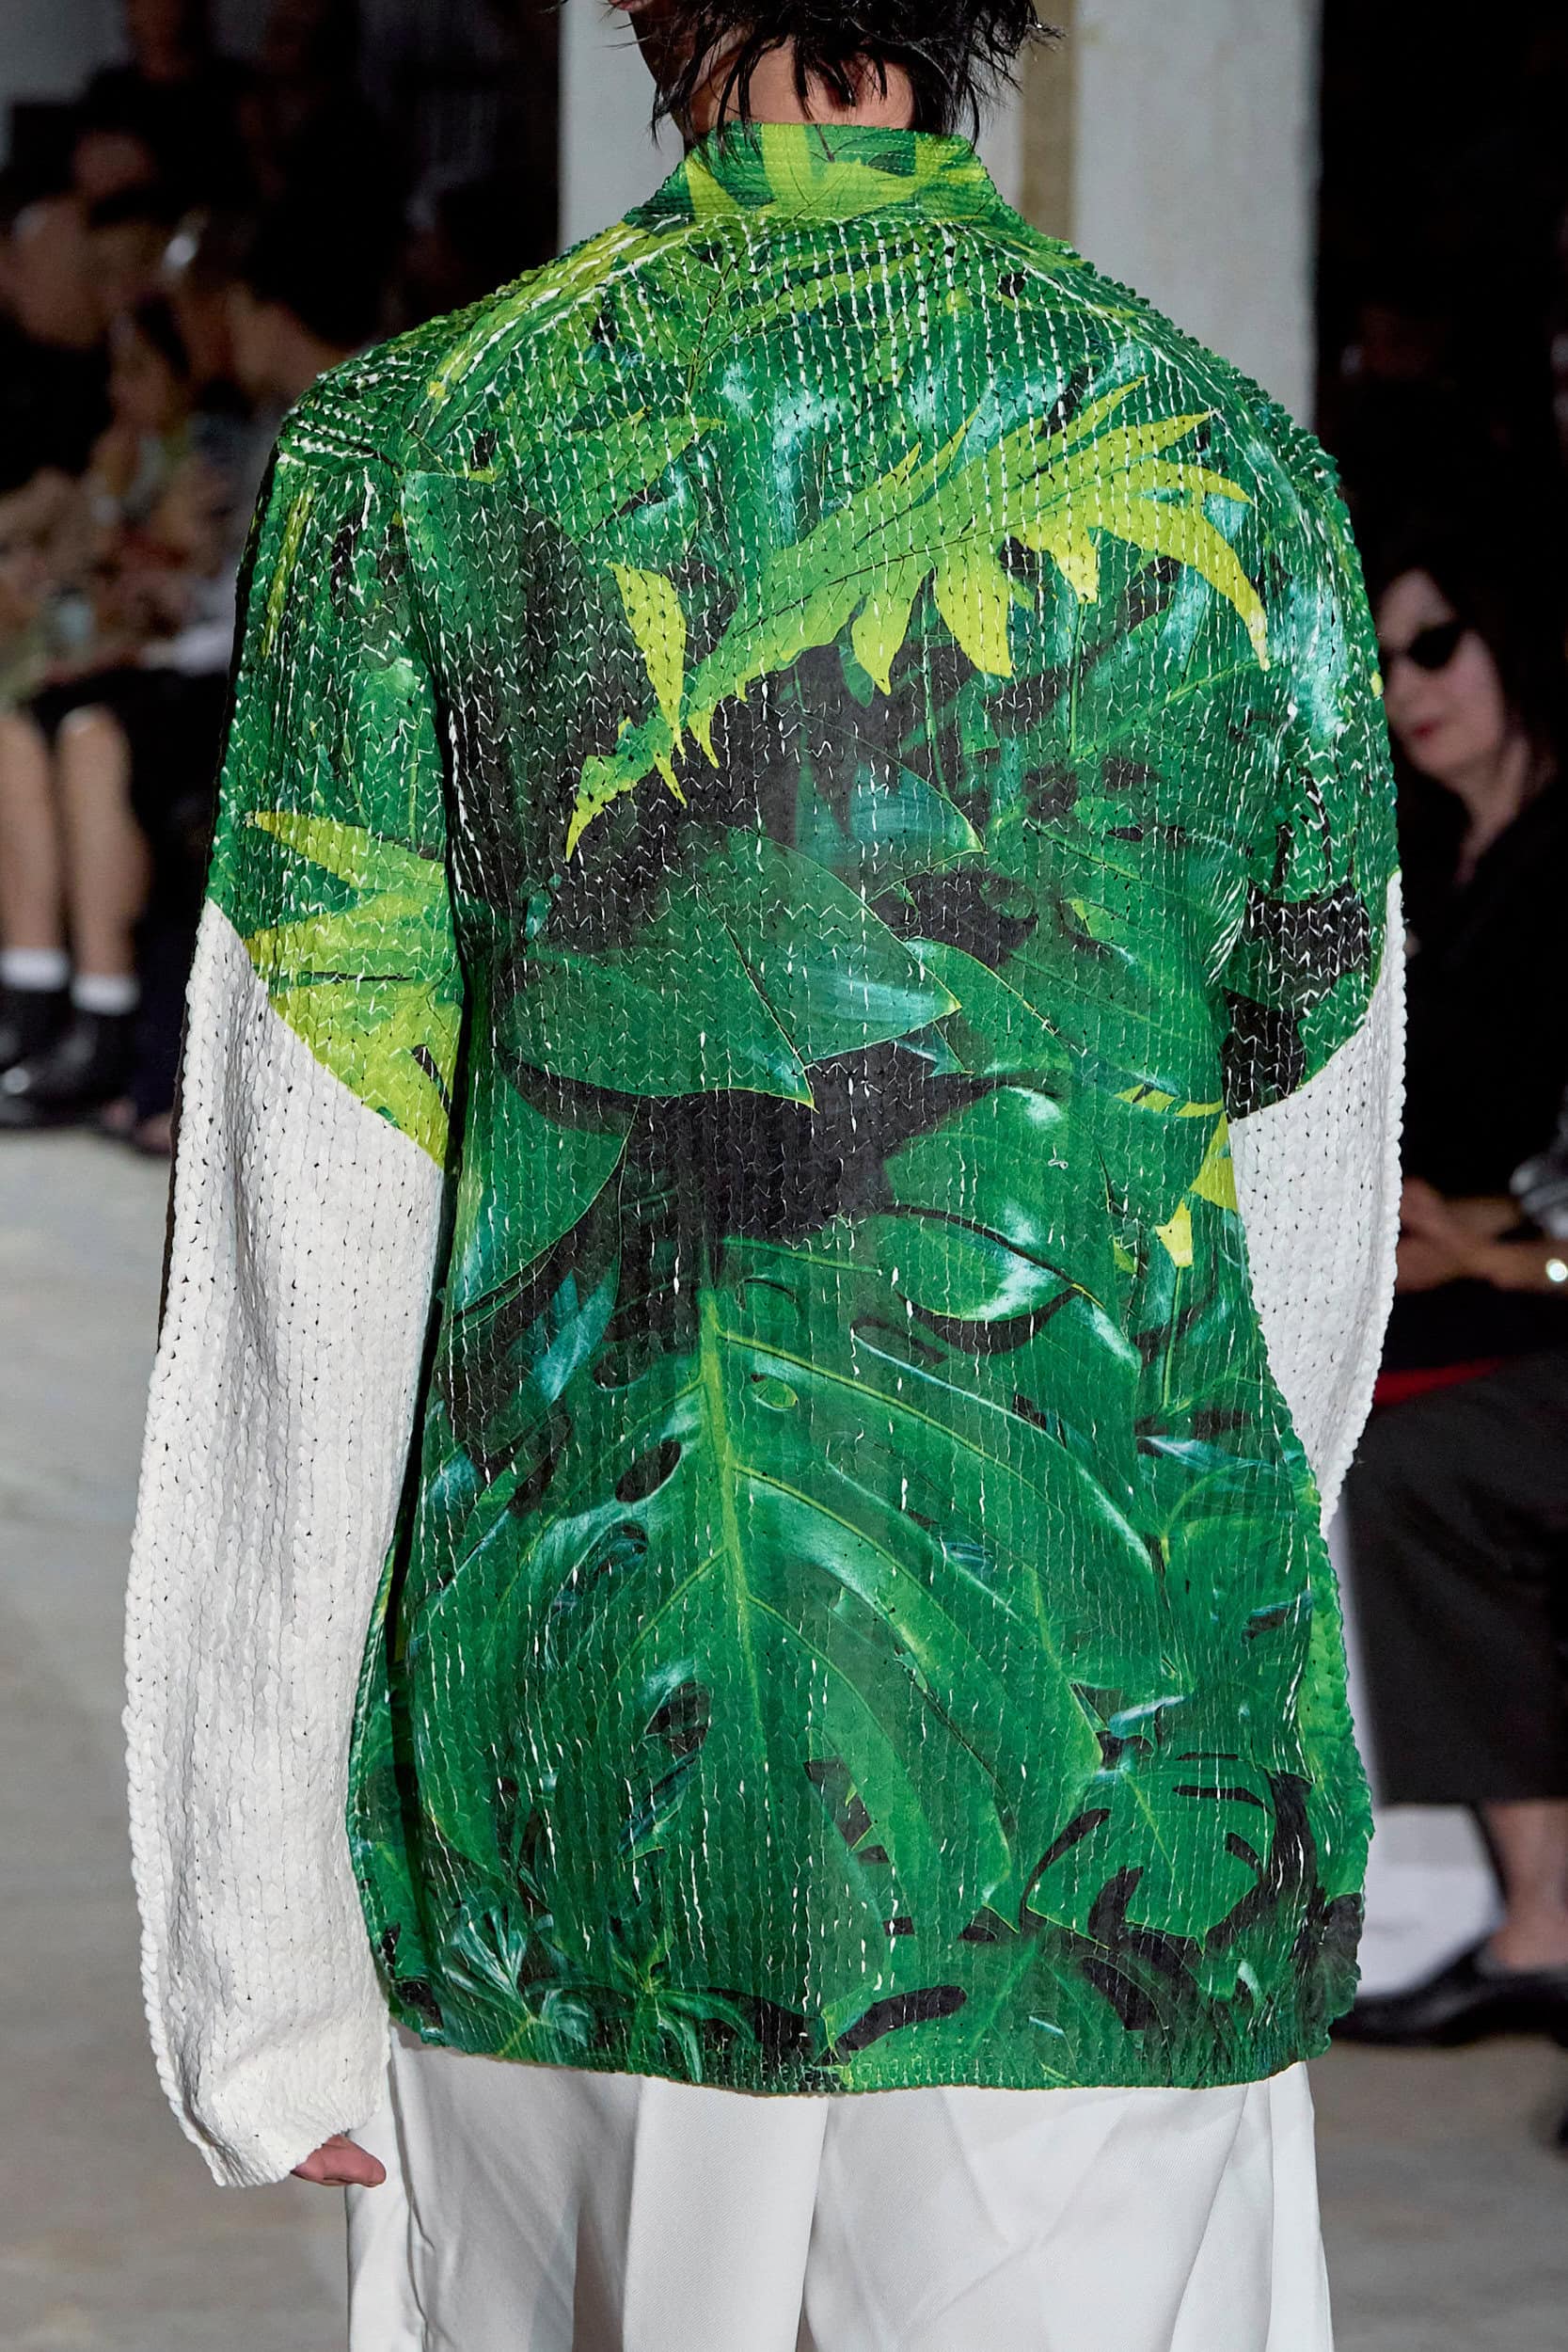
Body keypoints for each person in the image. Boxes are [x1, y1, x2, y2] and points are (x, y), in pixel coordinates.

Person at [125, 5, 1402, 2344]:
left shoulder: (430, 449)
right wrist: (1155, 1633)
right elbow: (1301, 1221)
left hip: (590, 1776)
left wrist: (258, 1938)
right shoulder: (1228, 465)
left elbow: (316, 1217)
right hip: (1101, 1809)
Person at [1336, 525, 1568, 2047]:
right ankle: (1541, 1914)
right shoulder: (1440, 867)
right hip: (1484, 1283)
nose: (1406, 685)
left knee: (1409, 1454)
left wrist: (1485, 1241)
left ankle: (1543, 1915)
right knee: (1339, 1415)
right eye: (1383, 660)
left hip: (1534, 1294)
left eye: (1436, 644)